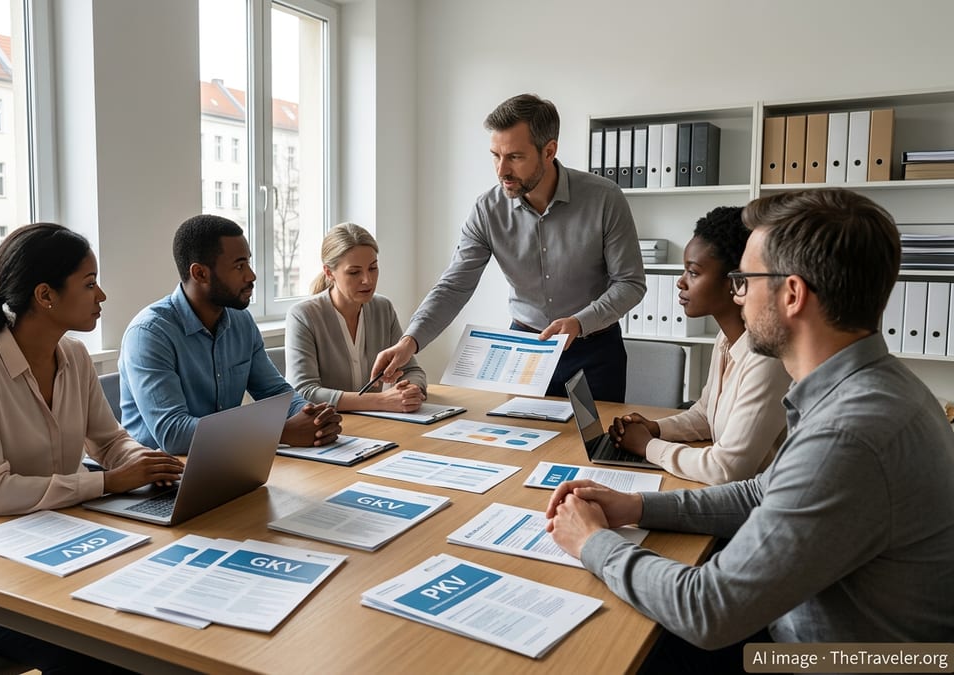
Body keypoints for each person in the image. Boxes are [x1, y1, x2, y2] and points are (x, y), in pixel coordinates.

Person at [545, 189, 954, 671]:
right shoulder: (863, 388)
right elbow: (762, 492)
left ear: (793, 294)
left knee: (599, 649)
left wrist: (592, 542)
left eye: (745, 280)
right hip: (807, 632)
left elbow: (708, 610)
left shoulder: (850, 432)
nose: (738, 294)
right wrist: (636, 506)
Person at [0, 222, 184, 673]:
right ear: (45, 295)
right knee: (87, 645)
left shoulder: (74, 356)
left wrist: (142, 463)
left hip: (48, 531)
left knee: (142, 614)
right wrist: (105, 481)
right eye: (89, 284)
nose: (101, 295)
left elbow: (109, 441)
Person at [371, 93, 645, 402]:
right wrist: (409, 342)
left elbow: (630, 283)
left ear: (549, 151)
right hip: (524, 353)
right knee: (518, 444)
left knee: (593, 448)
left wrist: (581, 322)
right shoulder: (487, 210)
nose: (502, 170)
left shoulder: (604, 198)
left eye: (515, 157)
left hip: (594, 350)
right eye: (495, 156)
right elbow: (454, 285)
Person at [119, 214, 342, 455]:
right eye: (239, 266)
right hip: (159, 477)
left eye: (248, 262)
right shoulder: (149, 334)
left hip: (223, 462)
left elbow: (275, 392)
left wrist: (315, 417)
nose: (251, 275)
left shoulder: (240, 320)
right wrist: (281, 432)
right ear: (200, 274)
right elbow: (174, 434)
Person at [607, 206, 791, 484]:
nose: (681, 282)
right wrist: (656, 428)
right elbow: (706, 414)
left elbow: (726, 469)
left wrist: (647, 446)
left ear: (737, 282)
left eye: (693, 272)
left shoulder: (768, 358)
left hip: (755, 510)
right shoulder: (727, 339)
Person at [285, 223, 427, 412]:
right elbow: (303, 391)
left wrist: (411, 390)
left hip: (376, 426)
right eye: (354, 272)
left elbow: (412, 370)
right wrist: (381, 401)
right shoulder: (303, 315)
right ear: (329, 272)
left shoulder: (383, 308)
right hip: (330, 430)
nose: (367, 280)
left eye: (373, 268)